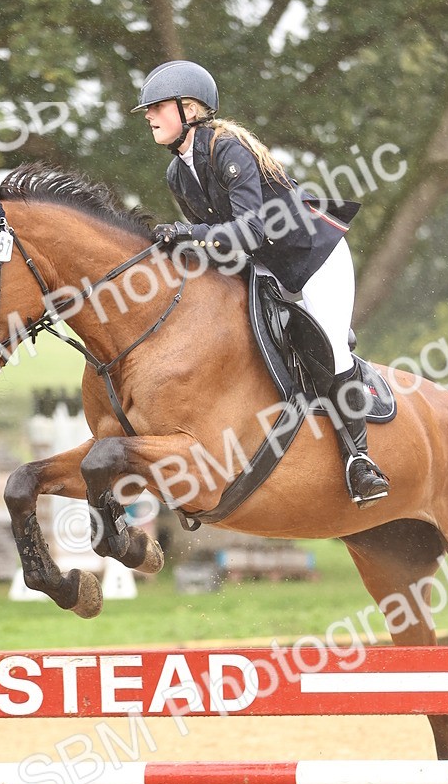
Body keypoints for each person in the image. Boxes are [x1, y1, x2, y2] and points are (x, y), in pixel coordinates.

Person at [132, 59, 389, 507]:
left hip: (314, 257)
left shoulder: (227, 149)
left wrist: (188, 234)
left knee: (329, 345)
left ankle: (360, 460)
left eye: (157, 107)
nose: (149, 116)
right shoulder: (177, 173)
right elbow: (219, 248)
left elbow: (250, 231)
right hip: (265, 268)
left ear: (189, 109)